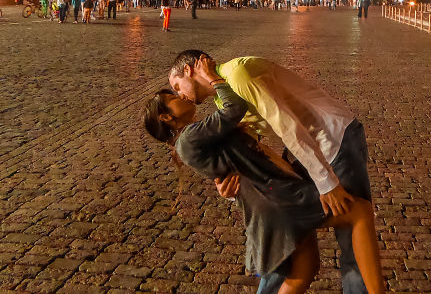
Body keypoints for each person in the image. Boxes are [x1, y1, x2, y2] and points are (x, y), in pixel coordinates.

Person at [143, 83, 385, 294]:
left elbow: (236, 158)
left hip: (273, 197)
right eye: (173, 98)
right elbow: (233, 109)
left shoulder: (197, 136)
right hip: (277, 198)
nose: (181, 96)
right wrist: (215, 79)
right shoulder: (188, 138)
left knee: (306, 268)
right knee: (360, 212)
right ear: (166, 117)